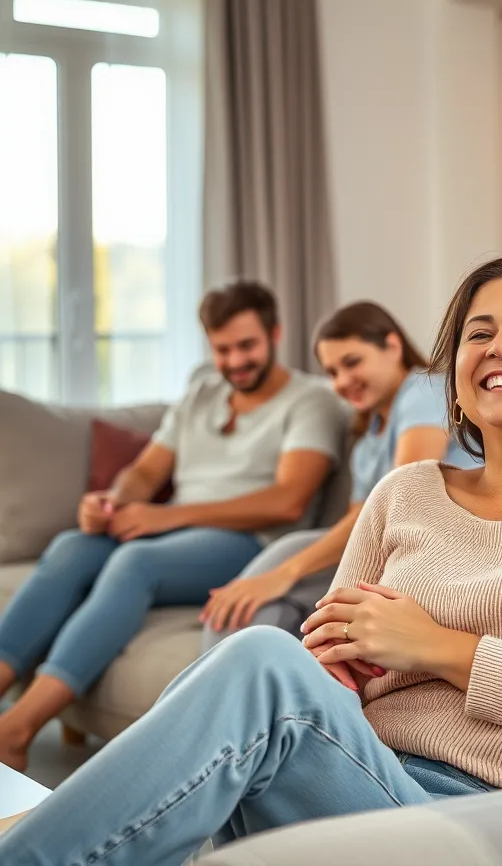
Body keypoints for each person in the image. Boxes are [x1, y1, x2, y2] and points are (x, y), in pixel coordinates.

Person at [0, 256, 502, 866]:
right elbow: (329, 670)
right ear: (454, 383)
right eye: (478, 334)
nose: (501, 346)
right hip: (354, 779)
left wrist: (443, 650)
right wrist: (344, 670)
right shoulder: (405, 494)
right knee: (261, 667)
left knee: (260, 661)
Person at [0, 281, 347, 772]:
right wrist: (112, 502)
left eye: (247, 346)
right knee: (73, 546)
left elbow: (288, 500)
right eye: (222, 349)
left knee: (136, 562)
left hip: (249, 542)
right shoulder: (202, 393)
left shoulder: (311, 401)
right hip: (177, 532)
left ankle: (16, 729)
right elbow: (146, 472)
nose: (235, 361)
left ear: (275, 333)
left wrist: (168, 516)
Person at [200, 301, 479, 645]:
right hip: (386, 548)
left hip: (436, 544)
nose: (343, 381)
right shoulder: (365, 443)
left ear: (392, 346)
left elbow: (402, 498)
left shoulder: (425, 390)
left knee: (274, 585)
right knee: (252, 607)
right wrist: (276, 576)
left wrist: (285, 574)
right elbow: (359, 529)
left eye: (352, 362)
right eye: (332, 372)